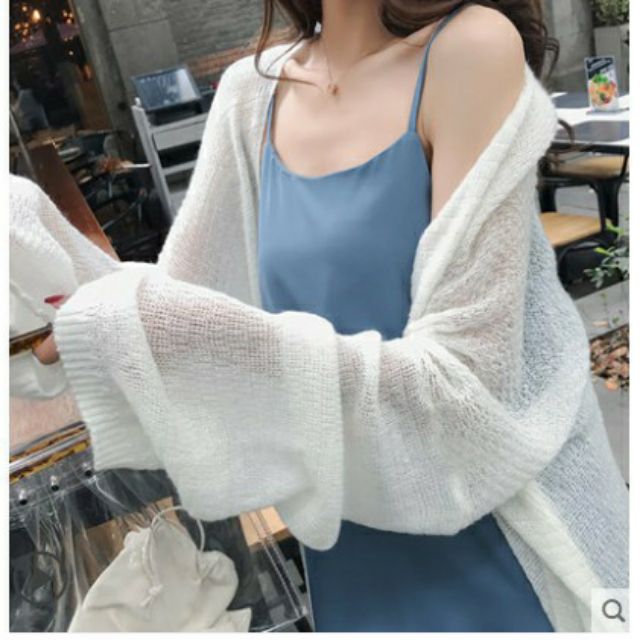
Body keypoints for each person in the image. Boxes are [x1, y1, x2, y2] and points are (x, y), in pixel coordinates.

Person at [20, 0, 627, 633]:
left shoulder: (468, 49)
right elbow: (175, 325)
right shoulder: (251, 96)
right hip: (348, 547)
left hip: (505, 546)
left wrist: (143, 322)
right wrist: (35, 259)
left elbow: (465, 396)